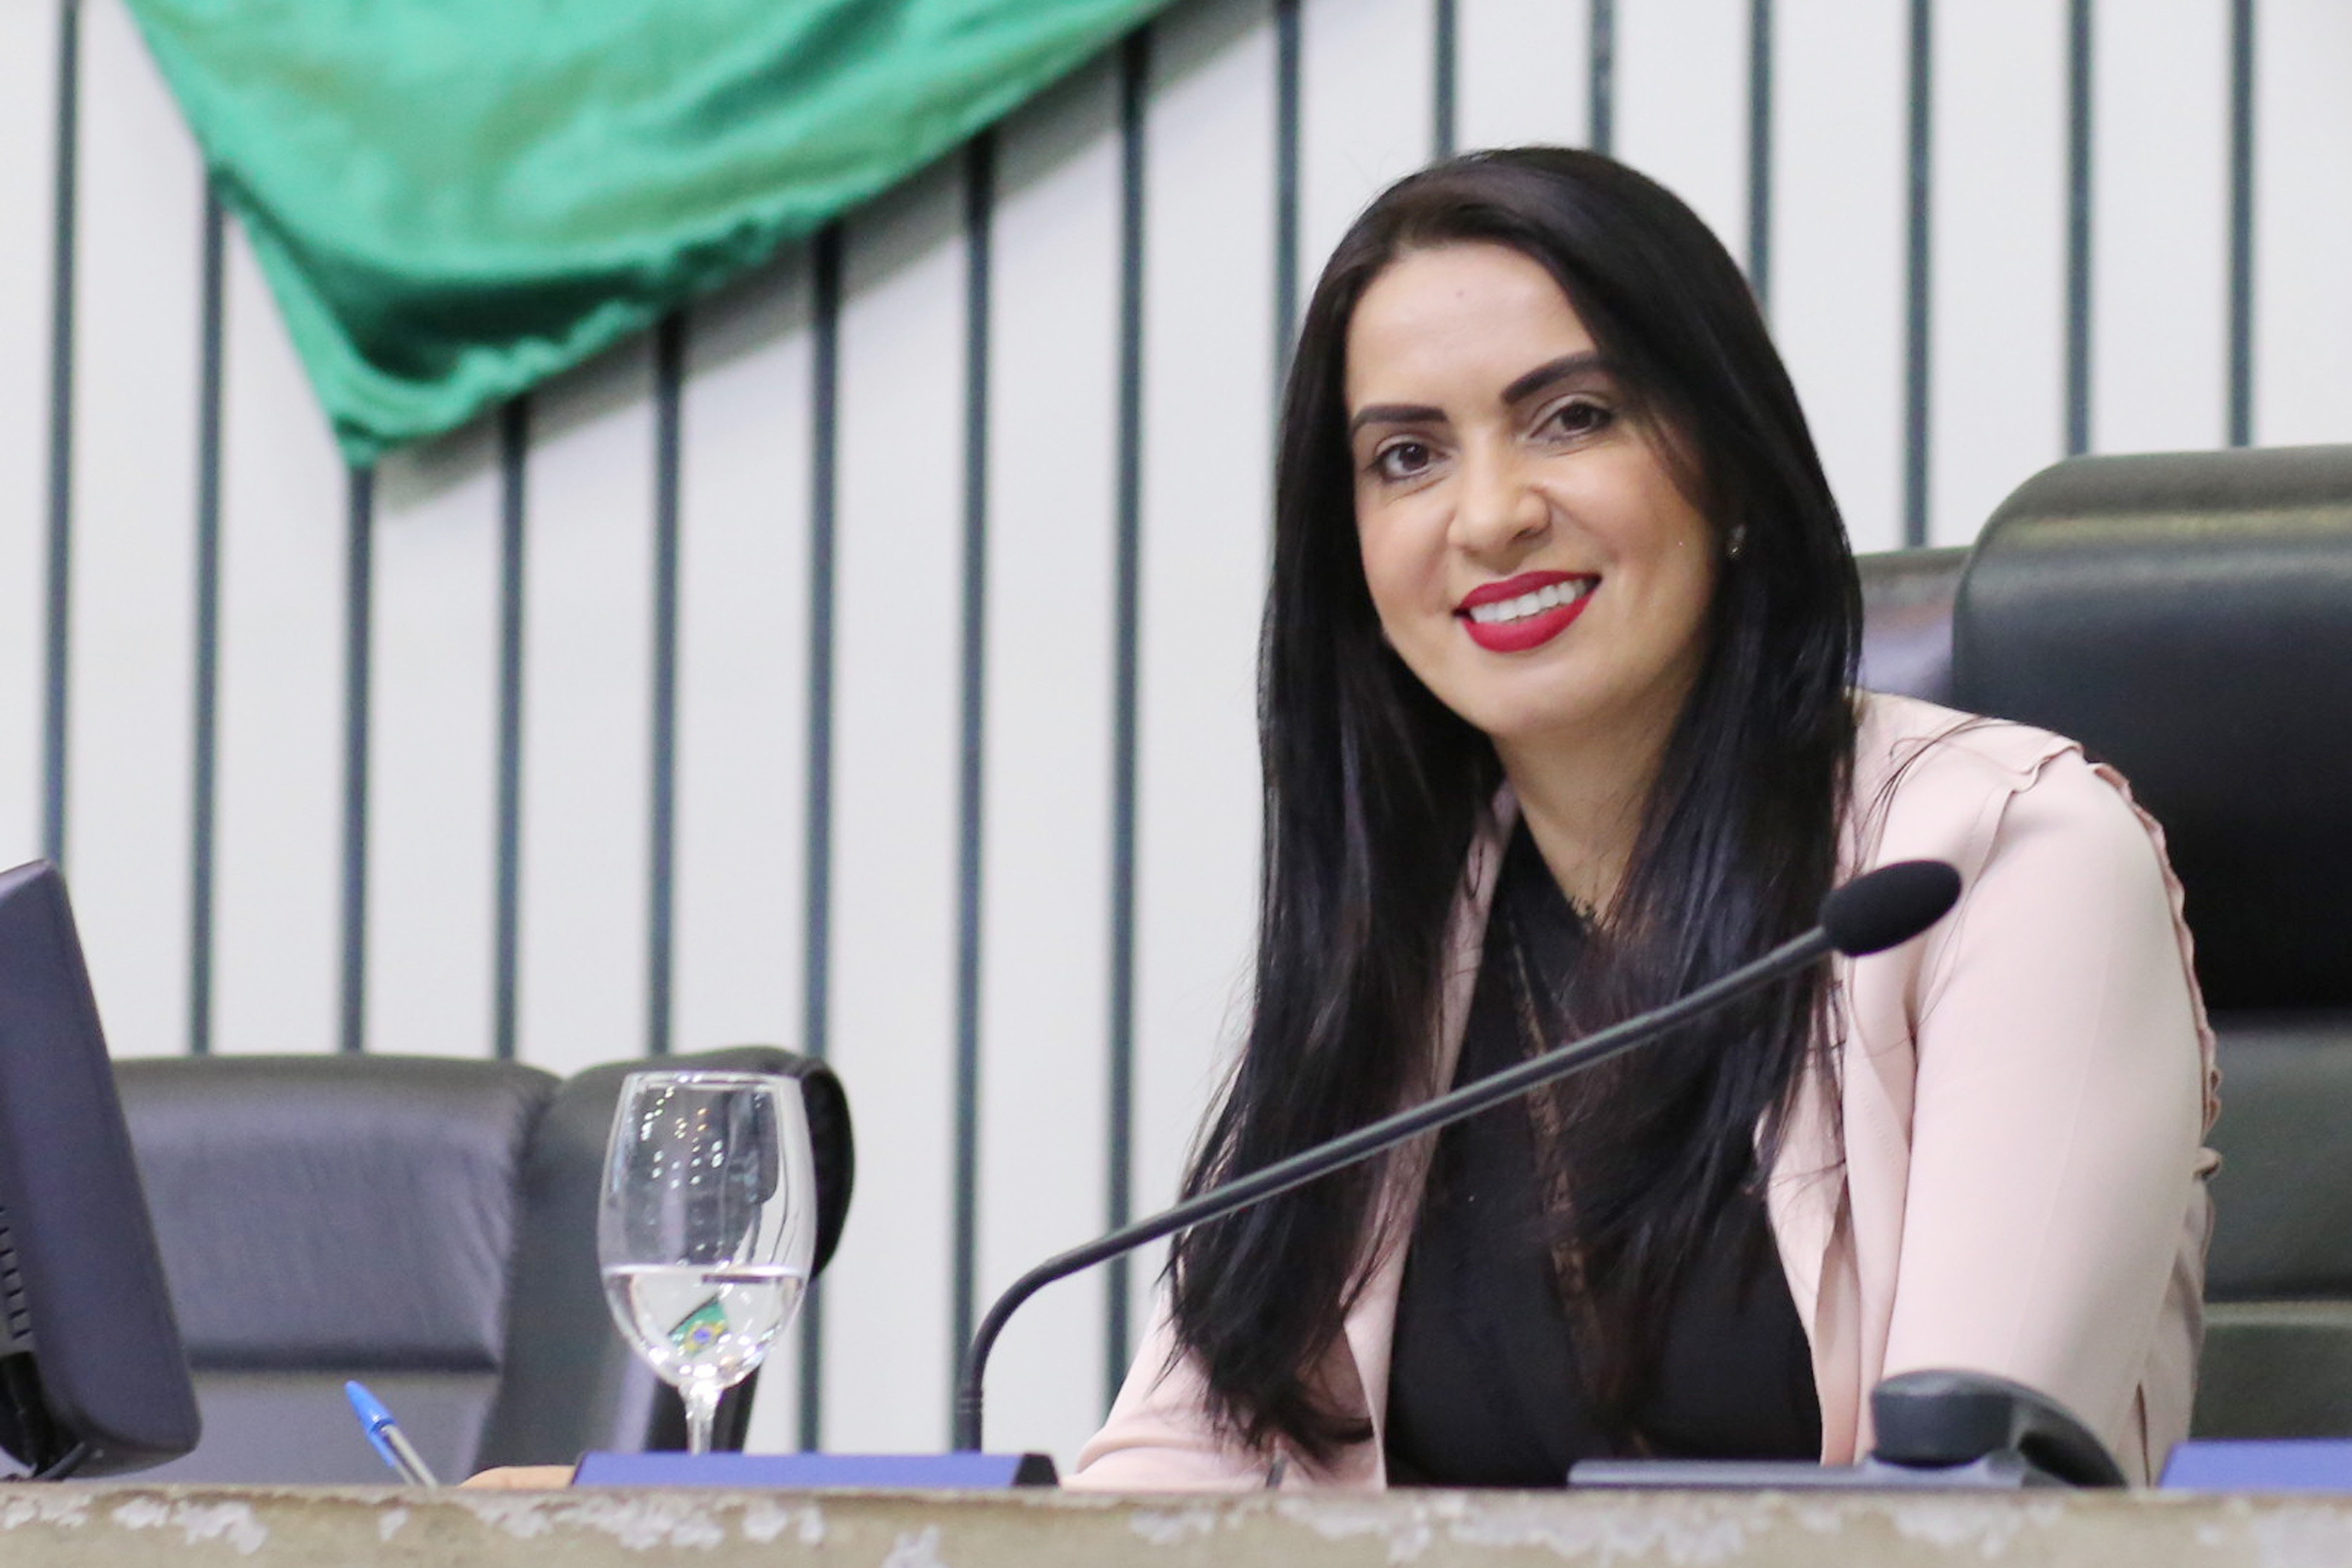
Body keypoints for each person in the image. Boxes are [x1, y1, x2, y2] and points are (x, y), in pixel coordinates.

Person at [1067, 147, 2215, 1491]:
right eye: (1408, 456)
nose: (1491, 516)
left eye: (1573, 418)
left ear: (1729, 461)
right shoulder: (1408, 931)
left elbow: (1958, 1519)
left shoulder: (2002, 861)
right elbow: (1179, 1465)